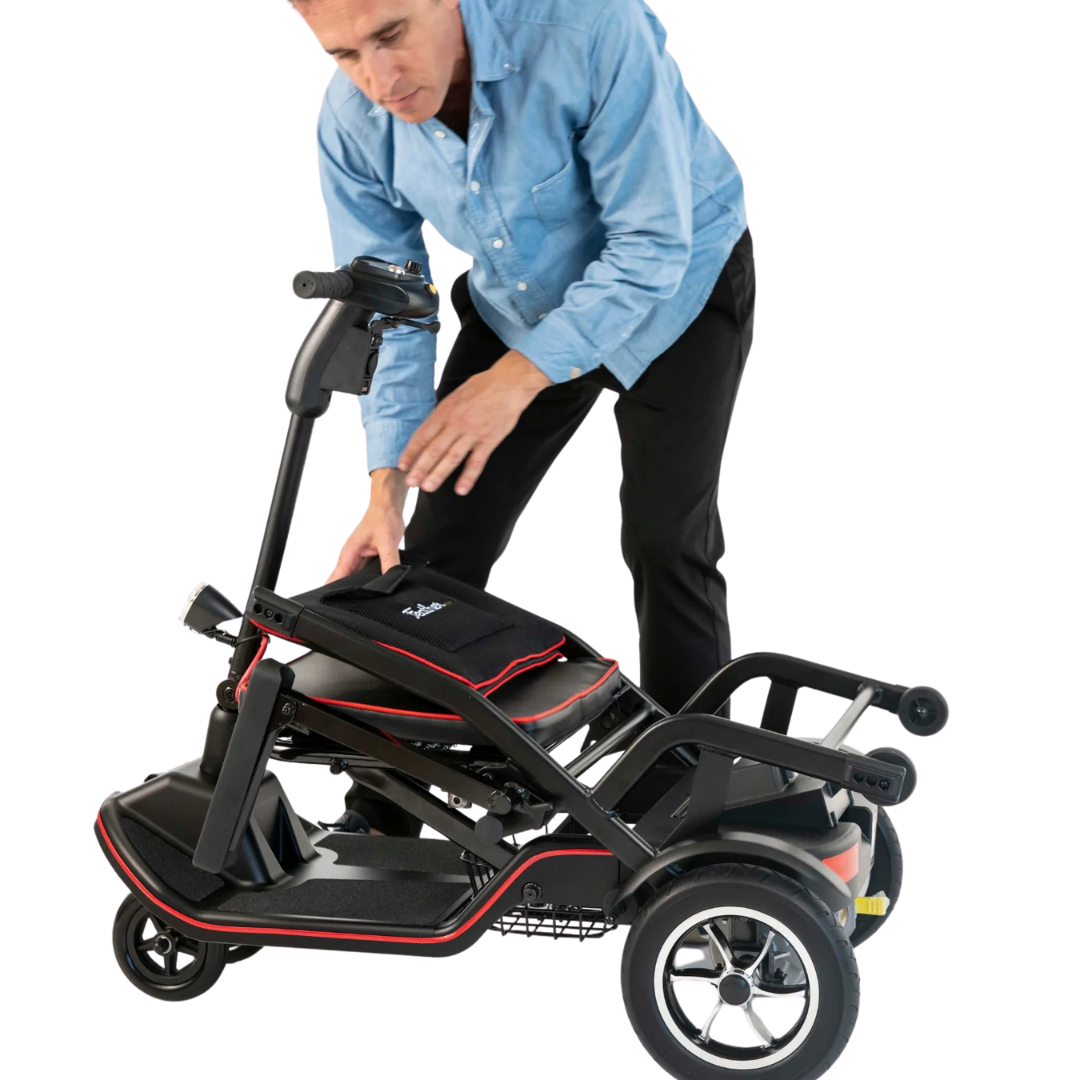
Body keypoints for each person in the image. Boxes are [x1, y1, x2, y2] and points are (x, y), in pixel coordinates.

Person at [292, 0, 754, 832]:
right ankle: (387, 806)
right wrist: (385, 485)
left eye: (392, 34)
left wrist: (514, 383)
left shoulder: (590, 30)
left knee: (666, 541)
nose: (379, 79)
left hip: (680, 288)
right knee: (430, 555)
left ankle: (690, 792)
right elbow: (393, 308)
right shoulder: (352, 122)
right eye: (345, 54)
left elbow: (652, 245)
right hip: (521, 306)